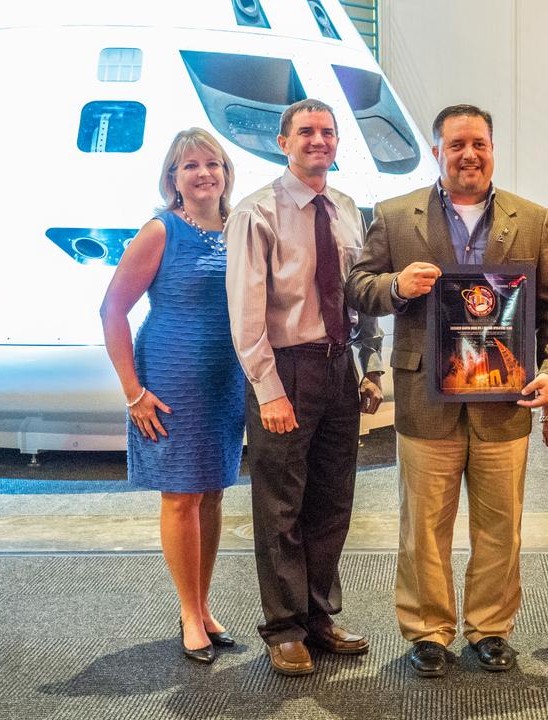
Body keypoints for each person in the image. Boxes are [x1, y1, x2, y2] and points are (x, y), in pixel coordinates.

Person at [346, 104, 548, 678]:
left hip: (506, 399)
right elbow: (357, 287)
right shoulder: (397, 216)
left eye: (479, 143)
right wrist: (395, 286)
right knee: (422, 526)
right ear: (437, 151)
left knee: (501, 525)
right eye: (456, 145)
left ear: (492, 148)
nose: (468, 154)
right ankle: (428, 631)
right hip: (426, 400)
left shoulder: (531, 217)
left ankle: (490, 628)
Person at [225, 99, 385, 677]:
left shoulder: (343, 208)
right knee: (281, 506)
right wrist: (268, 390)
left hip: (339, 366)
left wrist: (370, 364)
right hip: (285, 369)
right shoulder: (255, 212)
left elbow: (357, 292)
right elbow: (245, 317)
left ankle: (320, 617)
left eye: (327, 132)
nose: (318, 141)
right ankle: (284, 627)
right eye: (306, 132)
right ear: (283, 140)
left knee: (331, 502)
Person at [100, 128, 246, 665]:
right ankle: (188, 612)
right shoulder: (160, 231)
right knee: (181, 496)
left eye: (213, 163)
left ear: (227, 173)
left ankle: (204, 606)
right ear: (173, 178)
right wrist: (133, 392)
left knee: (212, 494)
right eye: (191, 166)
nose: (204, 173)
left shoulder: (239, 229)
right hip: (170, 380)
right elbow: (112, 310)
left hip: (225, 379)